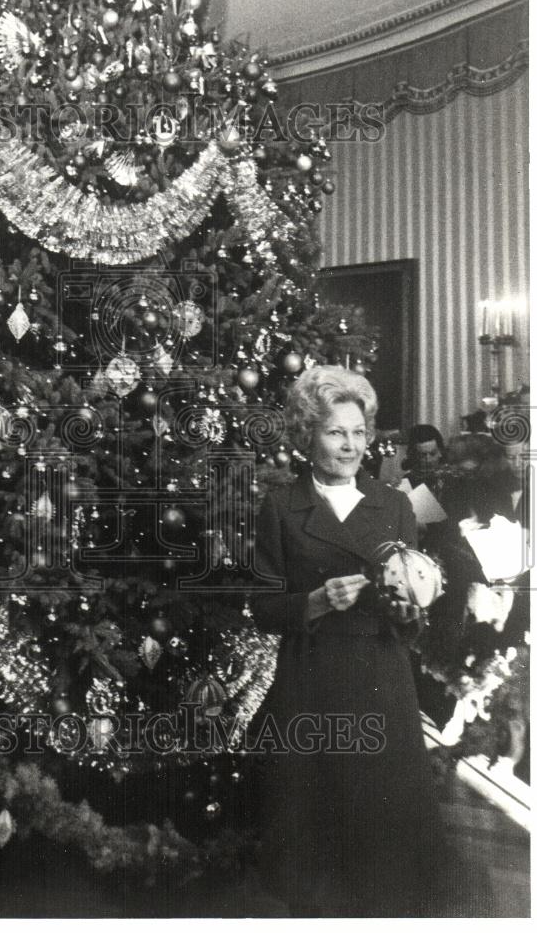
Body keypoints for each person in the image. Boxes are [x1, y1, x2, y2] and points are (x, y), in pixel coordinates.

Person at [248, 365, 454, 917]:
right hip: (312, 683)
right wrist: (315, 601)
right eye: (337, 432)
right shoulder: (280, 507)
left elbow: (412, 617)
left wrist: (408, 608)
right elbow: (263, 608)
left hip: (381, 681)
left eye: (359, 432)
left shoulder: (394, 505)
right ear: (308, 435)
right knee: (314, 838)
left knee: (381, 841)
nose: (351, 445)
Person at [401, 423, 446, 488]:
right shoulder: (407, 481)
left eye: (433, 454)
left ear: (440, 452)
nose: (428, 460)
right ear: (413, 455)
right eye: (422, 455)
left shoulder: (452, 478)